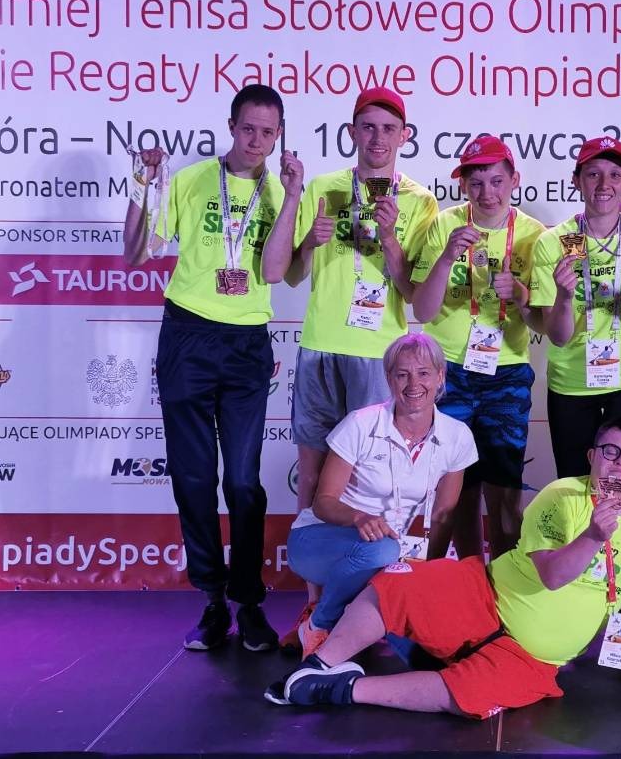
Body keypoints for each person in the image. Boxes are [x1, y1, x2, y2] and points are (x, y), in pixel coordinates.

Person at [266, 417, 621, 717]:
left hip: (533, 657)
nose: (620, 463)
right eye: (611, 451)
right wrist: (593, 536)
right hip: (484, 598)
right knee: (400, 579)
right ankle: (319, 663)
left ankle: (339, 688)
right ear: (591, 456)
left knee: (471, 697)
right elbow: (552, 576)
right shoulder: (562, 496)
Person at [263, 87, 440, 650]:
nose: (378, 138)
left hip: (379, 355)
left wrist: (390, 240)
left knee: (369, 483)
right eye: (367, 126)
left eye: (388, 128)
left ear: (404, 136)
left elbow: (416, 294)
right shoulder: (325, 188)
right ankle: (313, 606)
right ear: (352, 132)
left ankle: (370, 607)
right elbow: (292, 274)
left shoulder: (421, 202)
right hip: (320, 345)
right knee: (313, 475)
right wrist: (310, 245)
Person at [122, 83, 285, 652]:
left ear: (278, 136)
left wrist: (292, 199)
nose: (256, 141)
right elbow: (137, 252)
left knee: (242, 481)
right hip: (188, 335)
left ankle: (249, 602)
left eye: (268, 132)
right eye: (248, 129)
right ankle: (213, 601)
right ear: (231, 125)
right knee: (193, 478)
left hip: (246, 343)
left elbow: (286, 271)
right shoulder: (191, 180)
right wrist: (143, 184)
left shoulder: (282, 193)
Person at [285, 333, 475, 657]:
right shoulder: (360, 424)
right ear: (388, 378)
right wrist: (359, 517)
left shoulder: (457, 436)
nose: (413, 384)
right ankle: (319, 625)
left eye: (424, 373)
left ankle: (374, 633)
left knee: (425, 647)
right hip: (320, 540)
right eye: (402, 374)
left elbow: (443, 516)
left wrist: (427, 575)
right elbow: (323, 503)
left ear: (440, 376)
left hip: (393, 555)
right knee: (383, 551)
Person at [411, 136, 546, 558]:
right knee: (456, 493)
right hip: (448, 370)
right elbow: (422, 309)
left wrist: (521, 294)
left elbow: (543, 322)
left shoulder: (535, 235)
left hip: (506, 373)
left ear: (514, 180)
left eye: (496, 181)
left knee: (505, 494)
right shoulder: (445, 225)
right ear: (463, 186)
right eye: (476, 183)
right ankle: (467, 582)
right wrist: (446, 258)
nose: (487, 193)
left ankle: (502, 585)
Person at [528, 136, 621, 477]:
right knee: (576, 483)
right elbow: (558, 337)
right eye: (593, 174)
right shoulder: (555, 242)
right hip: (573, 383)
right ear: (576, 181)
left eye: (615, 175)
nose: (604, 185)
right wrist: (563, 297)